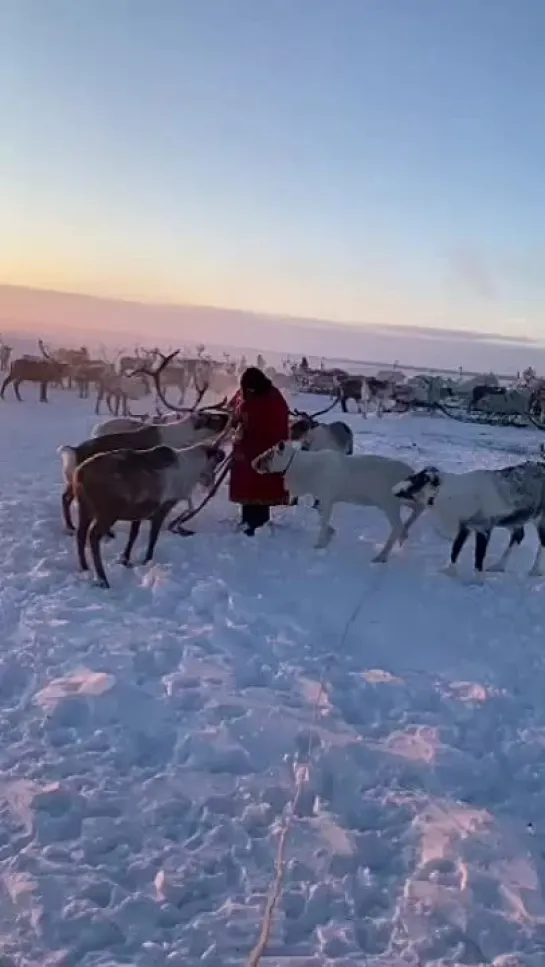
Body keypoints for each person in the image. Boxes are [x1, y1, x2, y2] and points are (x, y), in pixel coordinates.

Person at [229, 367, 290, 535]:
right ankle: (247, 519)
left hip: (266, 450)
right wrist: (236, 423)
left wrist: (247, 426)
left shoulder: (272, 398)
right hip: (246, 449)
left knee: (261, 485)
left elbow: (277, 423)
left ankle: (260, 521)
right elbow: (235, 407)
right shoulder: (246, 393)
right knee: (248, 484)